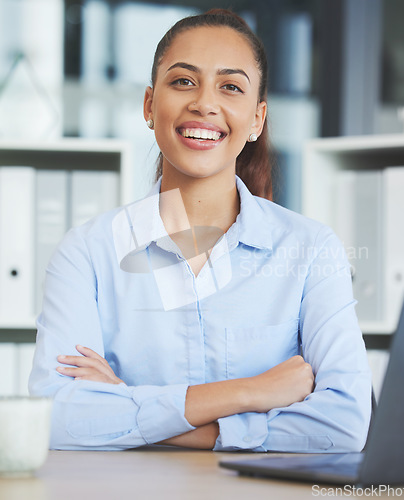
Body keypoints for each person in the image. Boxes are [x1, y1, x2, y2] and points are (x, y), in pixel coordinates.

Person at [29, 8, 371, 452]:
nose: (204, 103)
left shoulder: (309, 249)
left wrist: (132, 410)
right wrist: (251, 392)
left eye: (230, 87)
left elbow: (342, 425)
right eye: (183, 81)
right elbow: (57, 418)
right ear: (150, 106)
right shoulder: (88, 252)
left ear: (256, 119)